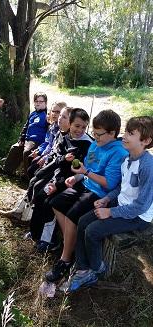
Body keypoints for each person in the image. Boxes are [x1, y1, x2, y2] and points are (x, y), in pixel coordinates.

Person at [66, 116, 153, 292]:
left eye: (131, 133)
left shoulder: (147, 166)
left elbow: (142, 205)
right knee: (83, 221)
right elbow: (122, 187)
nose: (125, 136)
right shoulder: (127, 159)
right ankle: (83, 269)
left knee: (93, 230)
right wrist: (107, 199)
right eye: (126, 131)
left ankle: (97, 268)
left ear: (145, 141)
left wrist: (111, 211)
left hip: (138, 216)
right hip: (121, 204)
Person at [45, 110, 128, 282]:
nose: (94, 137)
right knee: (56, 202)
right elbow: (86, 170)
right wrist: (76, 177)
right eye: (94, 133)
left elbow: (109, 184)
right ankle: (72, 242)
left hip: (99, 194)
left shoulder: (118, 152)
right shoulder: (95, 144)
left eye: (99, 134)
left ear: (112, 133)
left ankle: (65, 259)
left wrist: (86, 172)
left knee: (72, 215)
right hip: (85, 185)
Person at [26, 108, 92, 245]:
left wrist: (58, 186)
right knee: (39, 194)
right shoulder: (66, 138)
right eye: (77, 126)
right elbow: (58, 161)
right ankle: (34, 232)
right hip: (58, 178)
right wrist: (53, 182)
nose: (80, 130)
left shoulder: (87, 144)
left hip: (73, 183)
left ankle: (49, 240)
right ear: (70, 124)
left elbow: (79, 172)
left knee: (50, 202)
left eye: (84, 127)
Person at [0, 92, 48, 176]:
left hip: (37, 141)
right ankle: (7, 171)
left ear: (45, 103)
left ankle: (27, 176)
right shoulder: (32, 114)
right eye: (36, 101)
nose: (38, 103)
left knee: (27, 152)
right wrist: (22, 138)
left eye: (41, 101)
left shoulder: (47, 115)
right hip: (27, 139)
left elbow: (49, 131)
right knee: (15, 147)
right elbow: (26, 127)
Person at [27, 101, 67, 180]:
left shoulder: (62, 129)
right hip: (47, 153)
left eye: (58, 112)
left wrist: (44, 157)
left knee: (35, 170)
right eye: (53, 111)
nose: (54, 114)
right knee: (32, 162)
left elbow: (55, 148)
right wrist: (39, 151)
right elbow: (47, 143)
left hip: (54, 158)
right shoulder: (52, 126)